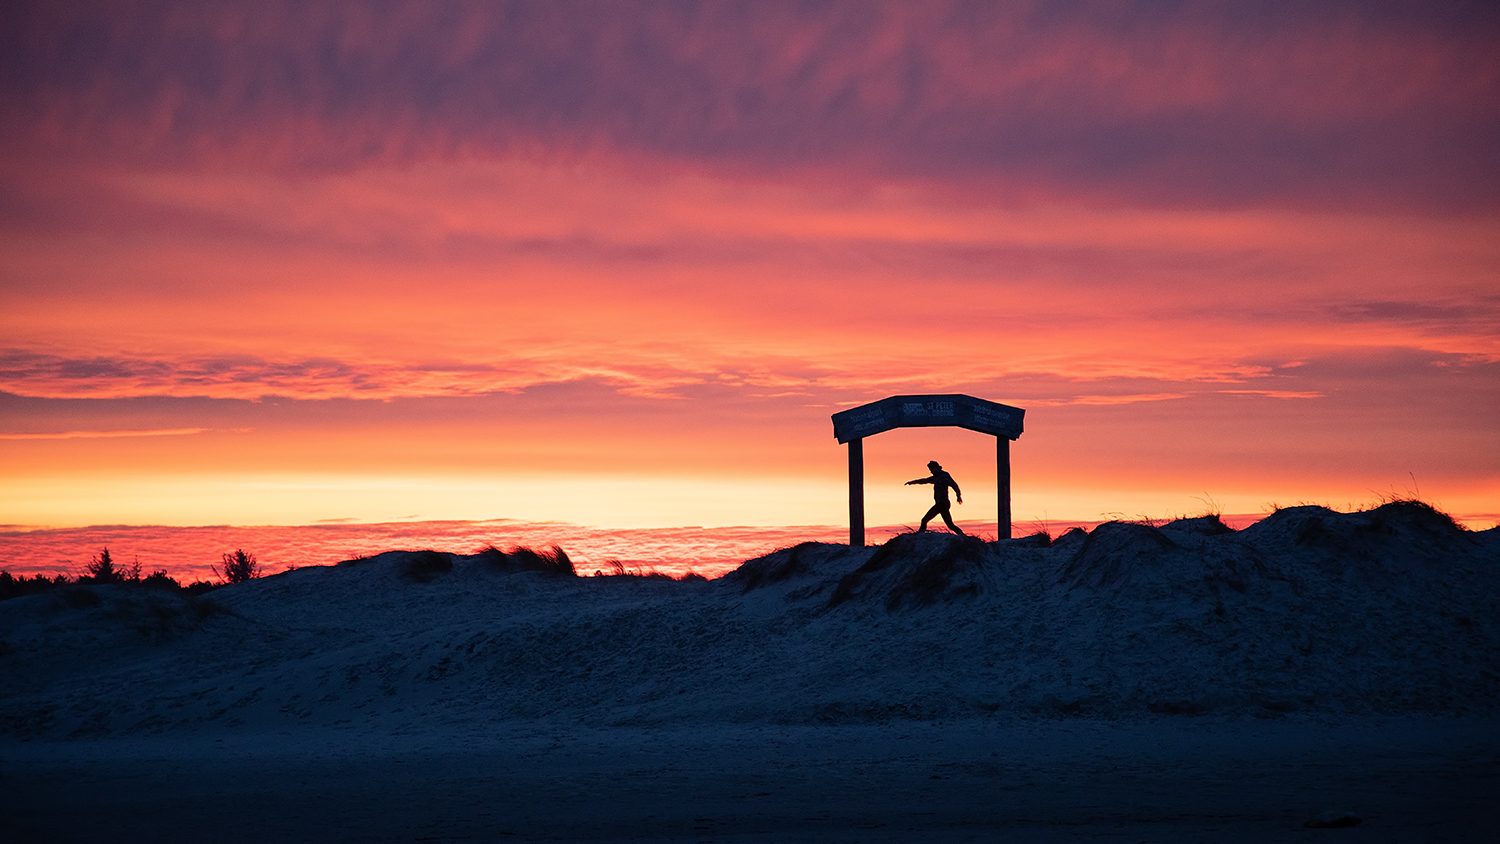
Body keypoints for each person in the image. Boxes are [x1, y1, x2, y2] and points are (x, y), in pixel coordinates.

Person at [904, 460, 965, 535]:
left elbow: (954, 484)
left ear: (936, 467)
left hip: (942, 504)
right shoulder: (935, 478)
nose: (930, 471)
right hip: (941, 504)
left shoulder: (944, 476)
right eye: (929, 469)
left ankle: (920, 536)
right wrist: (912, 482)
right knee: (950, 525)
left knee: (924, 520)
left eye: (931, 469)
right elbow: (925, 480)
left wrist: (958, 495)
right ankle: (963, 536)